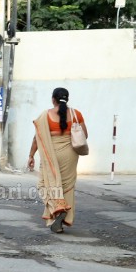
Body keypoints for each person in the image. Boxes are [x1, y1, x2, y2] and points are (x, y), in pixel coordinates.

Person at [27, 87, 87, 233]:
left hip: (50, 155)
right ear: (67, 99)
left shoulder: (45, 115)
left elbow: (37, 138)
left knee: (44, 184)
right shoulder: (76, 114)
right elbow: (84, 134)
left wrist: (31, 155)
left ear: (53, 99)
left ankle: (57, 208)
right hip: (70, 155)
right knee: (67, 186)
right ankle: (60, 220)